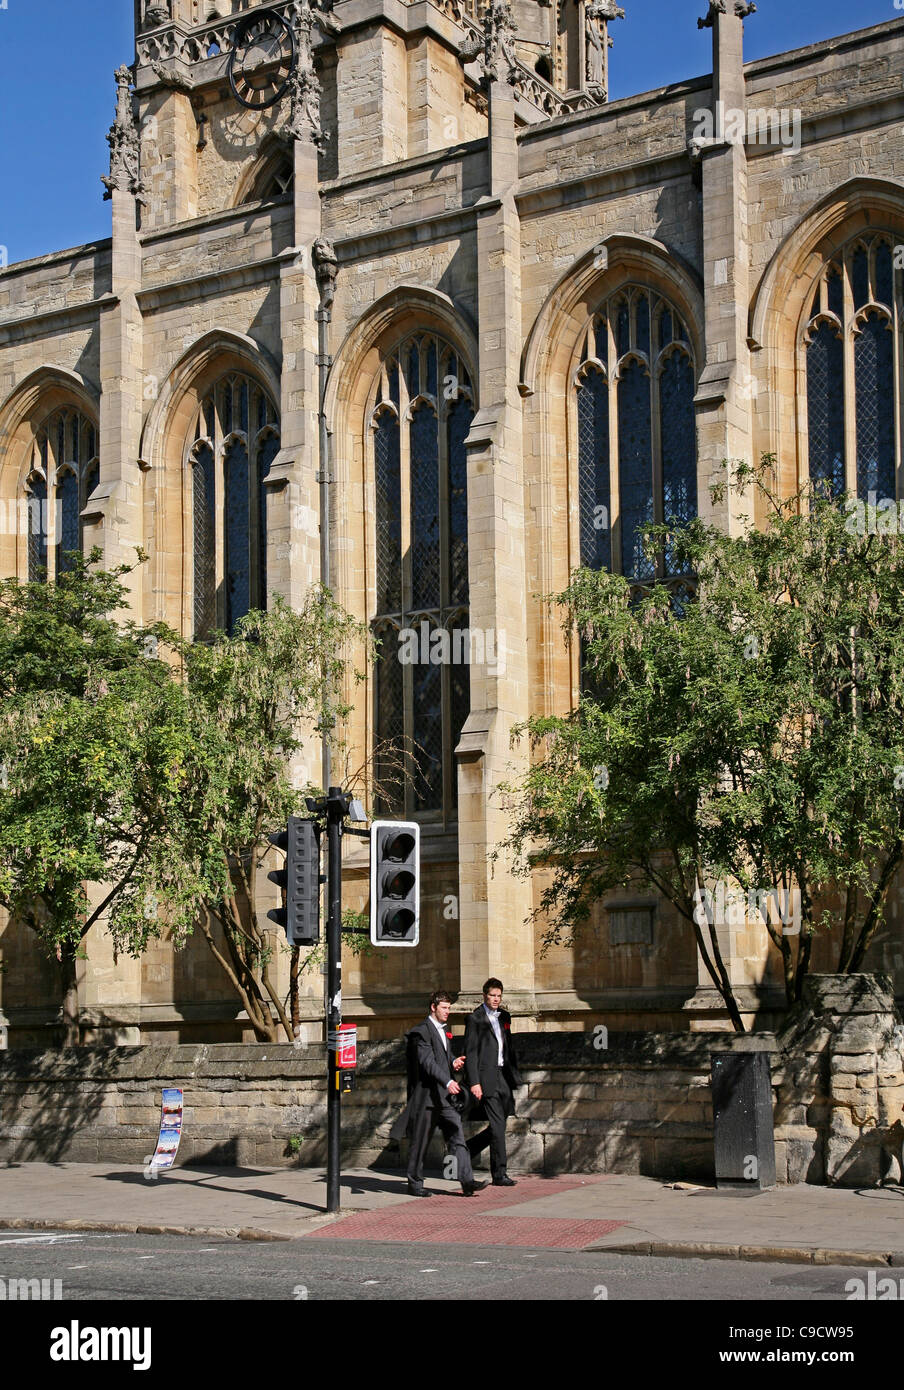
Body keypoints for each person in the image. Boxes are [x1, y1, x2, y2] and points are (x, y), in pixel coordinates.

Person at [390, 991, 488, 1198]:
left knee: (457, 1137)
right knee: (421, 1141)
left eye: (449, 1008)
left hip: (445, 1098)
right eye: (444, 1008)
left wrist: (453, 1062)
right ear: (433, 1007)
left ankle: (467, 1181)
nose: (448, 1012)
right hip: (427, 1097)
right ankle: (415, 1183)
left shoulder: (443, 1031)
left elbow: (441, 1058)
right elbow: (428, 1063)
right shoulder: (421, 1032)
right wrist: (448, 1080)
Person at [465, 978, 523, 1186]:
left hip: (504, 1076)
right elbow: (470, 1053)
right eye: (492, 995)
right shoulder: (475, 1019)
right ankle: (499, 1174)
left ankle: (470, 1148)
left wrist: (514, 1074)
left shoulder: (504, 1016)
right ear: (484, 996)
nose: (496, 999)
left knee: (501, 1122)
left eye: (499, 996)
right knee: (498, 1126)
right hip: (486, 1077)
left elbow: (509, 1045)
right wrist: (474, 1082)